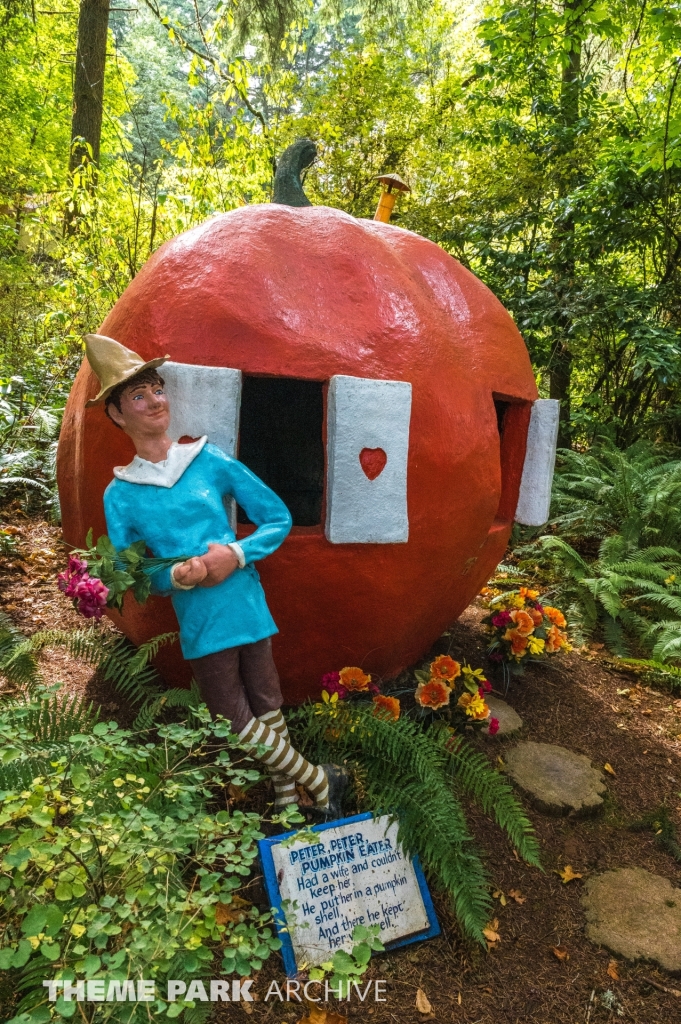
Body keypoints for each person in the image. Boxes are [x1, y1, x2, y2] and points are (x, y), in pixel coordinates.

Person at [83, 332, 346, 817]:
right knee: (229, 711)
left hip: (244, 597)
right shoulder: (121, 494)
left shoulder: (208, 459)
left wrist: (237, 555)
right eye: (137, 396)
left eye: (156, 389)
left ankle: (288, 806)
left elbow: (277, 517)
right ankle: (316, 777)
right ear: (117, 415)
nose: (153, 402)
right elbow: (129, 574)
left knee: (267, 699)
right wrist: (177, 578)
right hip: (201, 616)